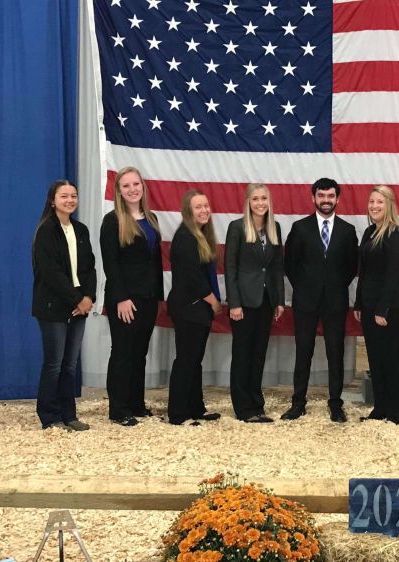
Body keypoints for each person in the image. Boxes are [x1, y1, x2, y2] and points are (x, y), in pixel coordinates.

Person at [282, 178, 358, 422]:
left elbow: (351, 268)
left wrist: (332, 288)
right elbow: (290, 265)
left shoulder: (348, 230)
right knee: (303, 350)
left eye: (331, 196)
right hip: (305, 301)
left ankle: (335, 404)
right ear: (313, 198)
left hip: (335, 301)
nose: (326, 200)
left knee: (335, 352)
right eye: (321, 196)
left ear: (338, 198)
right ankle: (298, 403)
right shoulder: (299, 228)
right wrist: (306, 288)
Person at [100, 167, 164, 427]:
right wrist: (121, 298)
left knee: (139, 353)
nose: (132, 189)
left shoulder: (152, 218)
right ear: (119, 191)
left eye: (135, 184)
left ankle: (136, 404)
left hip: (148, 297)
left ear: (142, 187)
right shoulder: (112, 220)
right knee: (123, 352)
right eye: (126, 185)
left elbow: (156, 262)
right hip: (125, 299)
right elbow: (111, 263)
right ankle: (118, 409)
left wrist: (158, 295)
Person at [32, 180, 96, 431]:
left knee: (70, 364)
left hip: (80, 305)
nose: (70, 200)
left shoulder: (81, 230)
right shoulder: (46, 230)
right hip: (53, 305)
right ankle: (50, 416)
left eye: (73, 196)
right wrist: (76, 299)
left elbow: (89, 267)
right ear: (53, 200)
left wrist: (88, 298)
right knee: (54, 364)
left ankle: (69, 414)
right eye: (64, 196)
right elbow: (51, 273)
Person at [225, 183, 285, 423]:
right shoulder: (237, 228)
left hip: (266, 301)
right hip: (244, 302)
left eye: (264, 198)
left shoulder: (275, 228)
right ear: (248, 202)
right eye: (255, 199)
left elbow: (276, 267)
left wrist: (279, 299)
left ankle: (256, 404)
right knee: (242, 354)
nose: (260, 203)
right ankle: (243, 408)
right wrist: (234, 303)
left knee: (259, 354)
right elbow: (230, 268)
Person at [354, 186, 399, 424]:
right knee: (375, 359)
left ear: (389, 205)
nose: (375, 206)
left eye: (380, 202)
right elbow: (363, 271)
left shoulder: (395, 234)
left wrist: (382, 309)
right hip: (368, 306)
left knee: (391, 357)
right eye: (372, 202)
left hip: (390, 307)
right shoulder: (368, 232)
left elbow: (392, 274)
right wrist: (358, 302)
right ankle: (381, 409)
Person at [166, 189, 222, 426]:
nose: (204, 210)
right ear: (188, 211)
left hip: (197, 309)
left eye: (206, 206)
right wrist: (214, 302)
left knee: (194, 360)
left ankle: (196, 408)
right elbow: (193, 278)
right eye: (198, 207)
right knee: (186, 360)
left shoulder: (200, 235)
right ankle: (178, 414)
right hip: (188, 308)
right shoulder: (186, 237)